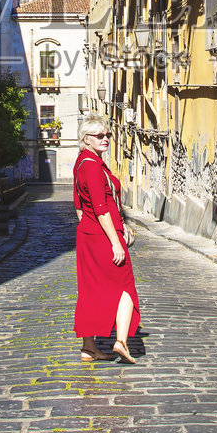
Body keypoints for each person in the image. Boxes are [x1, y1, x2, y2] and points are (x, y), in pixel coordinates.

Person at [73, 114, 141, 365]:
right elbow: (100, 208)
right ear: (85, 139)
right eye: (99, 136)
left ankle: (89, 348)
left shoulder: (84, 162)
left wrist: (117, 225)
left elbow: (80, 207)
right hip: (102, 236)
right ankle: (121, 341)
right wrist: (115, 240)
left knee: (90, 290)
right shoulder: (91, 166)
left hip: (90, 235)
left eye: (108, 135)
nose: (106, 139)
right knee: (125, 287)